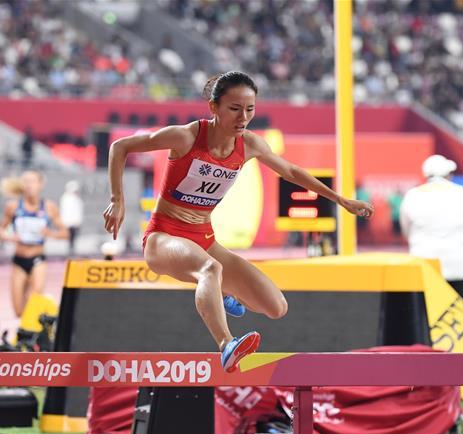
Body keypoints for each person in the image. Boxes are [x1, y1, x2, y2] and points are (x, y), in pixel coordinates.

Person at [104, 71, 374, 372]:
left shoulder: (250, 145)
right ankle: (226, 345)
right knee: (210, 268)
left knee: (275, 307)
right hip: (163, 238)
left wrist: (340, 200)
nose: (243, 117)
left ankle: (221, 292)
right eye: (234, 109)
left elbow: (292, 172)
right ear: (214, 108)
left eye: (250, 109)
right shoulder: (186, 136)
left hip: (204, 239)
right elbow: (120, 147)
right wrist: (118, 199)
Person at [400, 154, 463, 303]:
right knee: (456, 318)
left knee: (425, 317)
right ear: (448, 174)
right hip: (457, 265)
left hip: (424, 264)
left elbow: (406, 230)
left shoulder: (413, 195)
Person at [0, 170, 68, 318]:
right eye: (26, 181)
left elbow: (64, 233)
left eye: (32, 181)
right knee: (18, 310)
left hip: (38, 259)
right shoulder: (13, 206)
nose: (29, 185)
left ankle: (33, 335)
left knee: (34, 301)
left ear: (40, 184)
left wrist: (50, 233)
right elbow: (1, 230)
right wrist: (10, 237)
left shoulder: (49, 207)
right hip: (19, 260)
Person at [59, 180, 85, 255]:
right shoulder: (66, 199)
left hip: (75, 223)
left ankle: (72, 251)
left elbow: (78, 212)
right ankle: (68, 252)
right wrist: (64, 222)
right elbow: (65, 212)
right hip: (68, 223)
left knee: (74, 238)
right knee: (68, 238)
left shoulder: (77, 200)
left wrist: (78, 222)